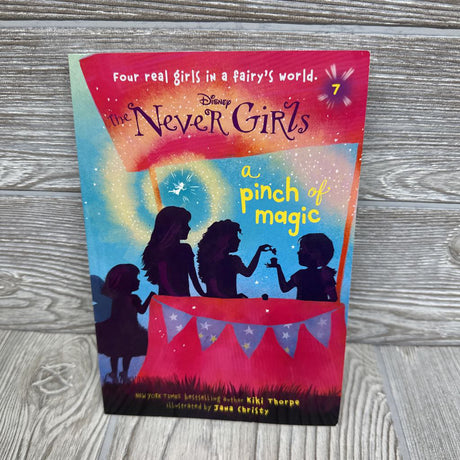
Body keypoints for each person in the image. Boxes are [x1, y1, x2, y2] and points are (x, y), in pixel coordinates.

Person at [95, 264, 154, 384]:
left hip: (128, 329)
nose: (138, 281)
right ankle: (115, 373)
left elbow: (141, 310)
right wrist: (150, 297)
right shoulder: (122, 299)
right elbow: (140, 311)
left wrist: (150, 297)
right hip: (120, 329)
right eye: (135, 278)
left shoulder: (128, 298)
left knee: (125, 352)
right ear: (127, 282)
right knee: (119, 352)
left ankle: (123, 373)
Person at [197, 219, 272, 298]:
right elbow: (215, 291)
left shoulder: (233, 260)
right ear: (224, 240)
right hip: (217, 303)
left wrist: (259, 251)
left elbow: (248, 272)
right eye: (235, 237)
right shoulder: (211, 262)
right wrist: (234, 298)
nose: (239, 240)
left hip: (229, 302)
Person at [142, 206, 205, 296]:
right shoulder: (161, 251)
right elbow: (165, 279)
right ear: (174, 228)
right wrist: (177, 297)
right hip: (170, 299)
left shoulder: (186, 249)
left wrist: (203, 294)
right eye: (185, 224)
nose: (189, 228)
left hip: (180, 298)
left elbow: (193, 276)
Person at [267, 233, 338, 301]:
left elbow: (333, 298)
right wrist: (278, 267)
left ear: (316, 253)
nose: (298, 252)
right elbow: (284, 288)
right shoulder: (300, 274)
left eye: (302, 249)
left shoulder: (324, 274)